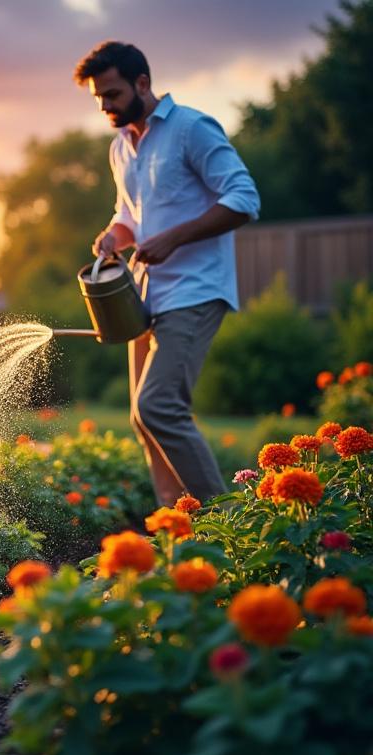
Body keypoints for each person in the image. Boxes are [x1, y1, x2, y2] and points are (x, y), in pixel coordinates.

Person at [74, 41, 260, 507]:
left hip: (194, 290)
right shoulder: (122, 148)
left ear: (142, 83)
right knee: (144, 419)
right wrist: (114, 237)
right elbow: (130, 216)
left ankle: (228, 526)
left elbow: (244, 199)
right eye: (99, 98)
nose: (105, 106)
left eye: (112, 94)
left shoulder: (191, 129)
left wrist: (174, 237)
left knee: (159, 407)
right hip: (145, 295)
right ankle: (173, 530)